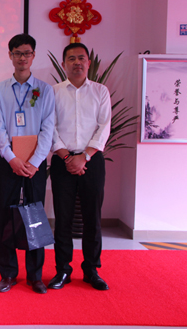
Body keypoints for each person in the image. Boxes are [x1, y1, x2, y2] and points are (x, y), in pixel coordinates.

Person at [0, 33, 55, 294]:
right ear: (10, 55)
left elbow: (48, 128)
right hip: (9, 161)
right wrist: (12, 158)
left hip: (35, 164)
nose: (22, 58)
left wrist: (35, 161)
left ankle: (35, 275)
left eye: (27, 53)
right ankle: (8, 273)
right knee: (7, 216)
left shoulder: (45, 90)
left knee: (35, 217)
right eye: (17, 53)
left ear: (33, 55)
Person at [49, 43, 111, 291]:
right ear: (63, 64)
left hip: (91, 161)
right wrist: (67, 158)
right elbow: (49, 127)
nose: (77, 62)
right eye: (71, 58)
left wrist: (84, 156)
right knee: (62, 218)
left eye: (81, 58)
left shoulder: (100, 91)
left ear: (89, 63)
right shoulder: (53, 92)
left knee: (92, 218)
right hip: (62, 161)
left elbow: (104, 126)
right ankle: (63, 270)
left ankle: (91, 270)